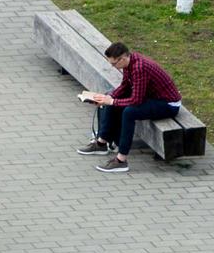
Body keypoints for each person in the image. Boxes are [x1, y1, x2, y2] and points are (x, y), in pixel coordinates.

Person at [78, 41, 182, 174]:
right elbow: (125, 86)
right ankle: (101, 143)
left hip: (168, 104)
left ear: (123, 58)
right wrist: (107, 99)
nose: (113, 66)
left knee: (129, 112)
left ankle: (121, 160)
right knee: (110, 97)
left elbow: (136, 100)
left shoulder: (139, 68)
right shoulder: (129, 62)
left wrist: (112, 102)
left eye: (114, 64)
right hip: (152, 97)